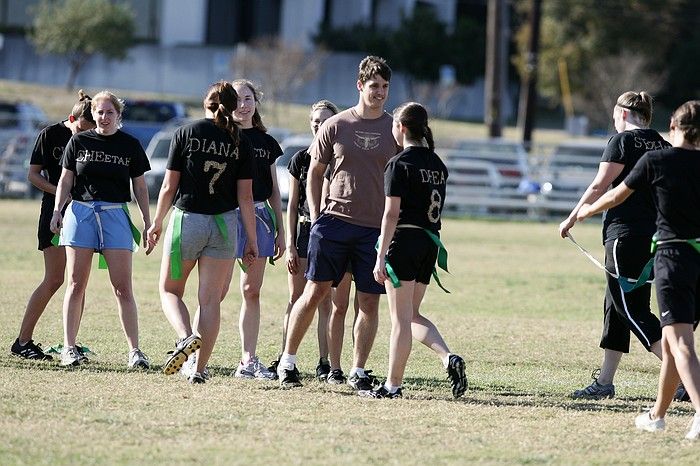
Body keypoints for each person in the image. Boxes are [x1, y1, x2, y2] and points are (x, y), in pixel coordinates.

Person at [576, 100, 700, 440]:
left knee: (673, 339)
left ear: (674, 127)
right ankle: (651, 411)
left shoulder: (653, 157)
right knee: (661, 334)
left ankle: (697, 401)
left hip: (668, 253)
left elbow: (612, 193)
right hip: (686, 253)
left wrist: (582, 213)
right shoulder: (665, 151)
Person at [276, 55, 399, 389]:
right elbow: (313, 172)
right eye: (374, 86)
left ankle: (358, 371)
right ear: (360, 86)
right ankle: (288, 361)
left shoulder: (394, 129)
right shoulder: (336, 125)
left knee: (369, 301)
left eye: (386, 87)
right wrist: (316, 217)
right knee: (315, 293)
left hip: (373, 230)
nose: (380, 93)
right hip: (334, 223)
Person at [559, 91, 668, 399]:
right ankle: (604, 383)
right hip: (652, 238)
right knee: (615, 307)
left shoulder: (621, 142)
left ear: (622, 114)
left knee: (631, 309)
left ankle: (685, 374)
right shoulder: (663, 143)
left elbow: (600, 185)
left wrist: (571, 219)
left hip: (625, 237)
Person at [148, 81, 258, 384]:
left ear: (206, 103)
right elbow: (245, 197)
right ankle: (197, 370)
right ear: (234, 106)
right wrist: (251, 238)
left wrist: (157, 222)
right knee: (209, 302)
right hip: (224, 224)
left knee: (170, 290)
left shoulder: (185, 132)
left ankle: (185, 337)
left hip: (188, 221)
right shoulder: (241, 141)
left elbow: (169, 186)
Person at [363, 102, 466, 399]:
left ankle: (392, 386)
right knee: (411, 315)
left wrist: (380, 256)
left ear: (402, 128)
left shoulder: (399, 164)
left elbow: (391, 214)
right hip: (429, 243)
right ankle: (448, 357)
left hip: (404, 243)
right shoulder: (437, 164)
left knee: (399, 321)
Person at [49, 90, 153, 368]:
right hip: (80, 214)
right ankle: (69, 348)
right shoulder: (79, 141)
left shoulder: (130, 145)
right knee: (75, 283)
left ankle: (135, 351)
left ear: (118, 115)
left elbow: (140, 187)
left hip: (115, 215)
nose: (104, 117)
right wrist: (57, 211)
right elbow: (65, 180)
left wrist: (147, 220)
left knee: (122, 288)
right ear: (92, 114)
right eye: (99, 112)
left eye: (109, 112)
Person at [10, 91, 95, 360]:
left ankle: (70, 345)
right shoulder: (51, 134)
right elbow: (33, 175)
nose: (86, 133)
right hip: (55, 213)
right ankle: (23, 342)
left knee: (78, 282)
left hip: (84, 214)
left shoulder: (95, 138)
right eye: (83, 127)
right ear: (72, 118)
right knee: (55, 278)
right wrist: (61, 193)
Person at [269, 100, 339, 381]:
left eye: (324, 120)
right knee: (296, 297)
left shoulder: (342, 157)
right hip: (305, 231)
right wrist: (288, 245)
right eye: (315, 121)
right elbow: (292, 203)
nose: (318, 125)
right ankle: (287, 357)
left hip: (333, 232)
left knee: (326, 301)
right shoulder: (301, 159)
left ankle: (325, 362)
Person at [227, 79, 285, 380]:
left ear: (256, 102)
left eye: (248, 98)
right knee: (214, 291)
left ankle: (247, 360)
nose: (243, 104)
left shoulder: (266, 142)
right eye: (236, 99)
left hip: (260, 217)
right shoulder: (221, 137)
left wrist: (281, 230)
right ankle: (193, 353)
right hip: (224, 217)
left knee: (251, 290)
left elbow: (274, 190)